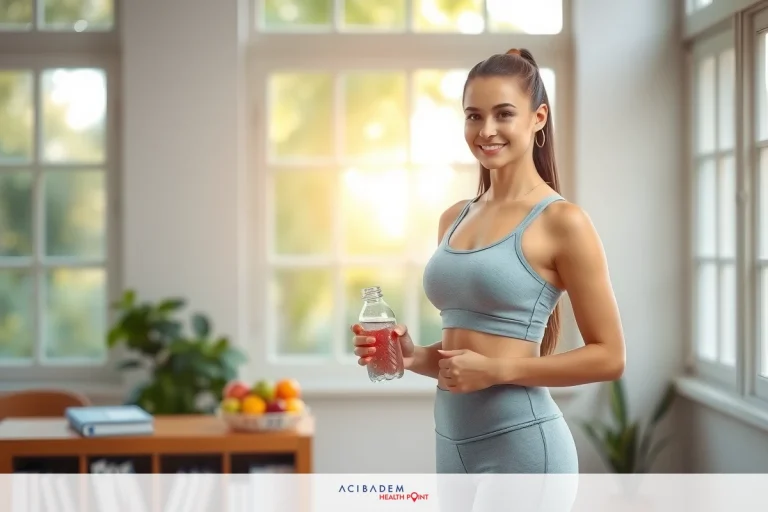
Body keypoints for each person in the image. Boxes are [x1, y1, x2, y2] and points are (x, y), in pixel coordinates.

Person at [351, 49, 625, 476]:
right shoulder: (454, 218)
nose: (486, 130)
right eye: (474, 116)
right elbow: (465, 357)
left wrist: (497, 370)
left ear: (538, 118)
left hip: (524, 447)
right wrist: (412, 355)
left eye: (504, 114)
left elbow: (610, 357)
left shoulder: (562, 221)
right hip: (452, 447)